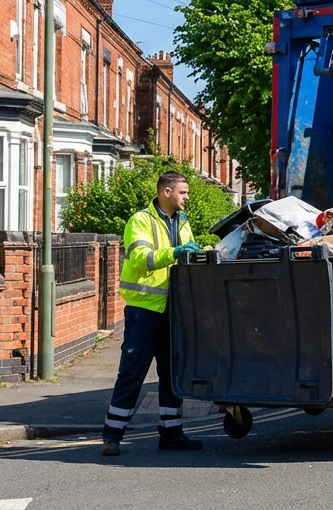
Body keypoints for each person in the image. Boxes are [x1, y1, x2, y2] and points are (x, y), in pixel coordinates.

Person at [100, 171, 204, 457]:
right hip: (144, 310)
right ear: (166, 192)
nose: (187, 197)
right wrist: (175, 252)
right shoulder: (141, 220)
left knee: (172, 375)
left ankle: (171, 433)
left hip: (174, 310)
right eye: (183, 192)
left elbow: (185, 258)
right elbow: (140, 258)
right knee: (132, 373)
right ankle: (112, 436)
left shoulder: (182, 222)